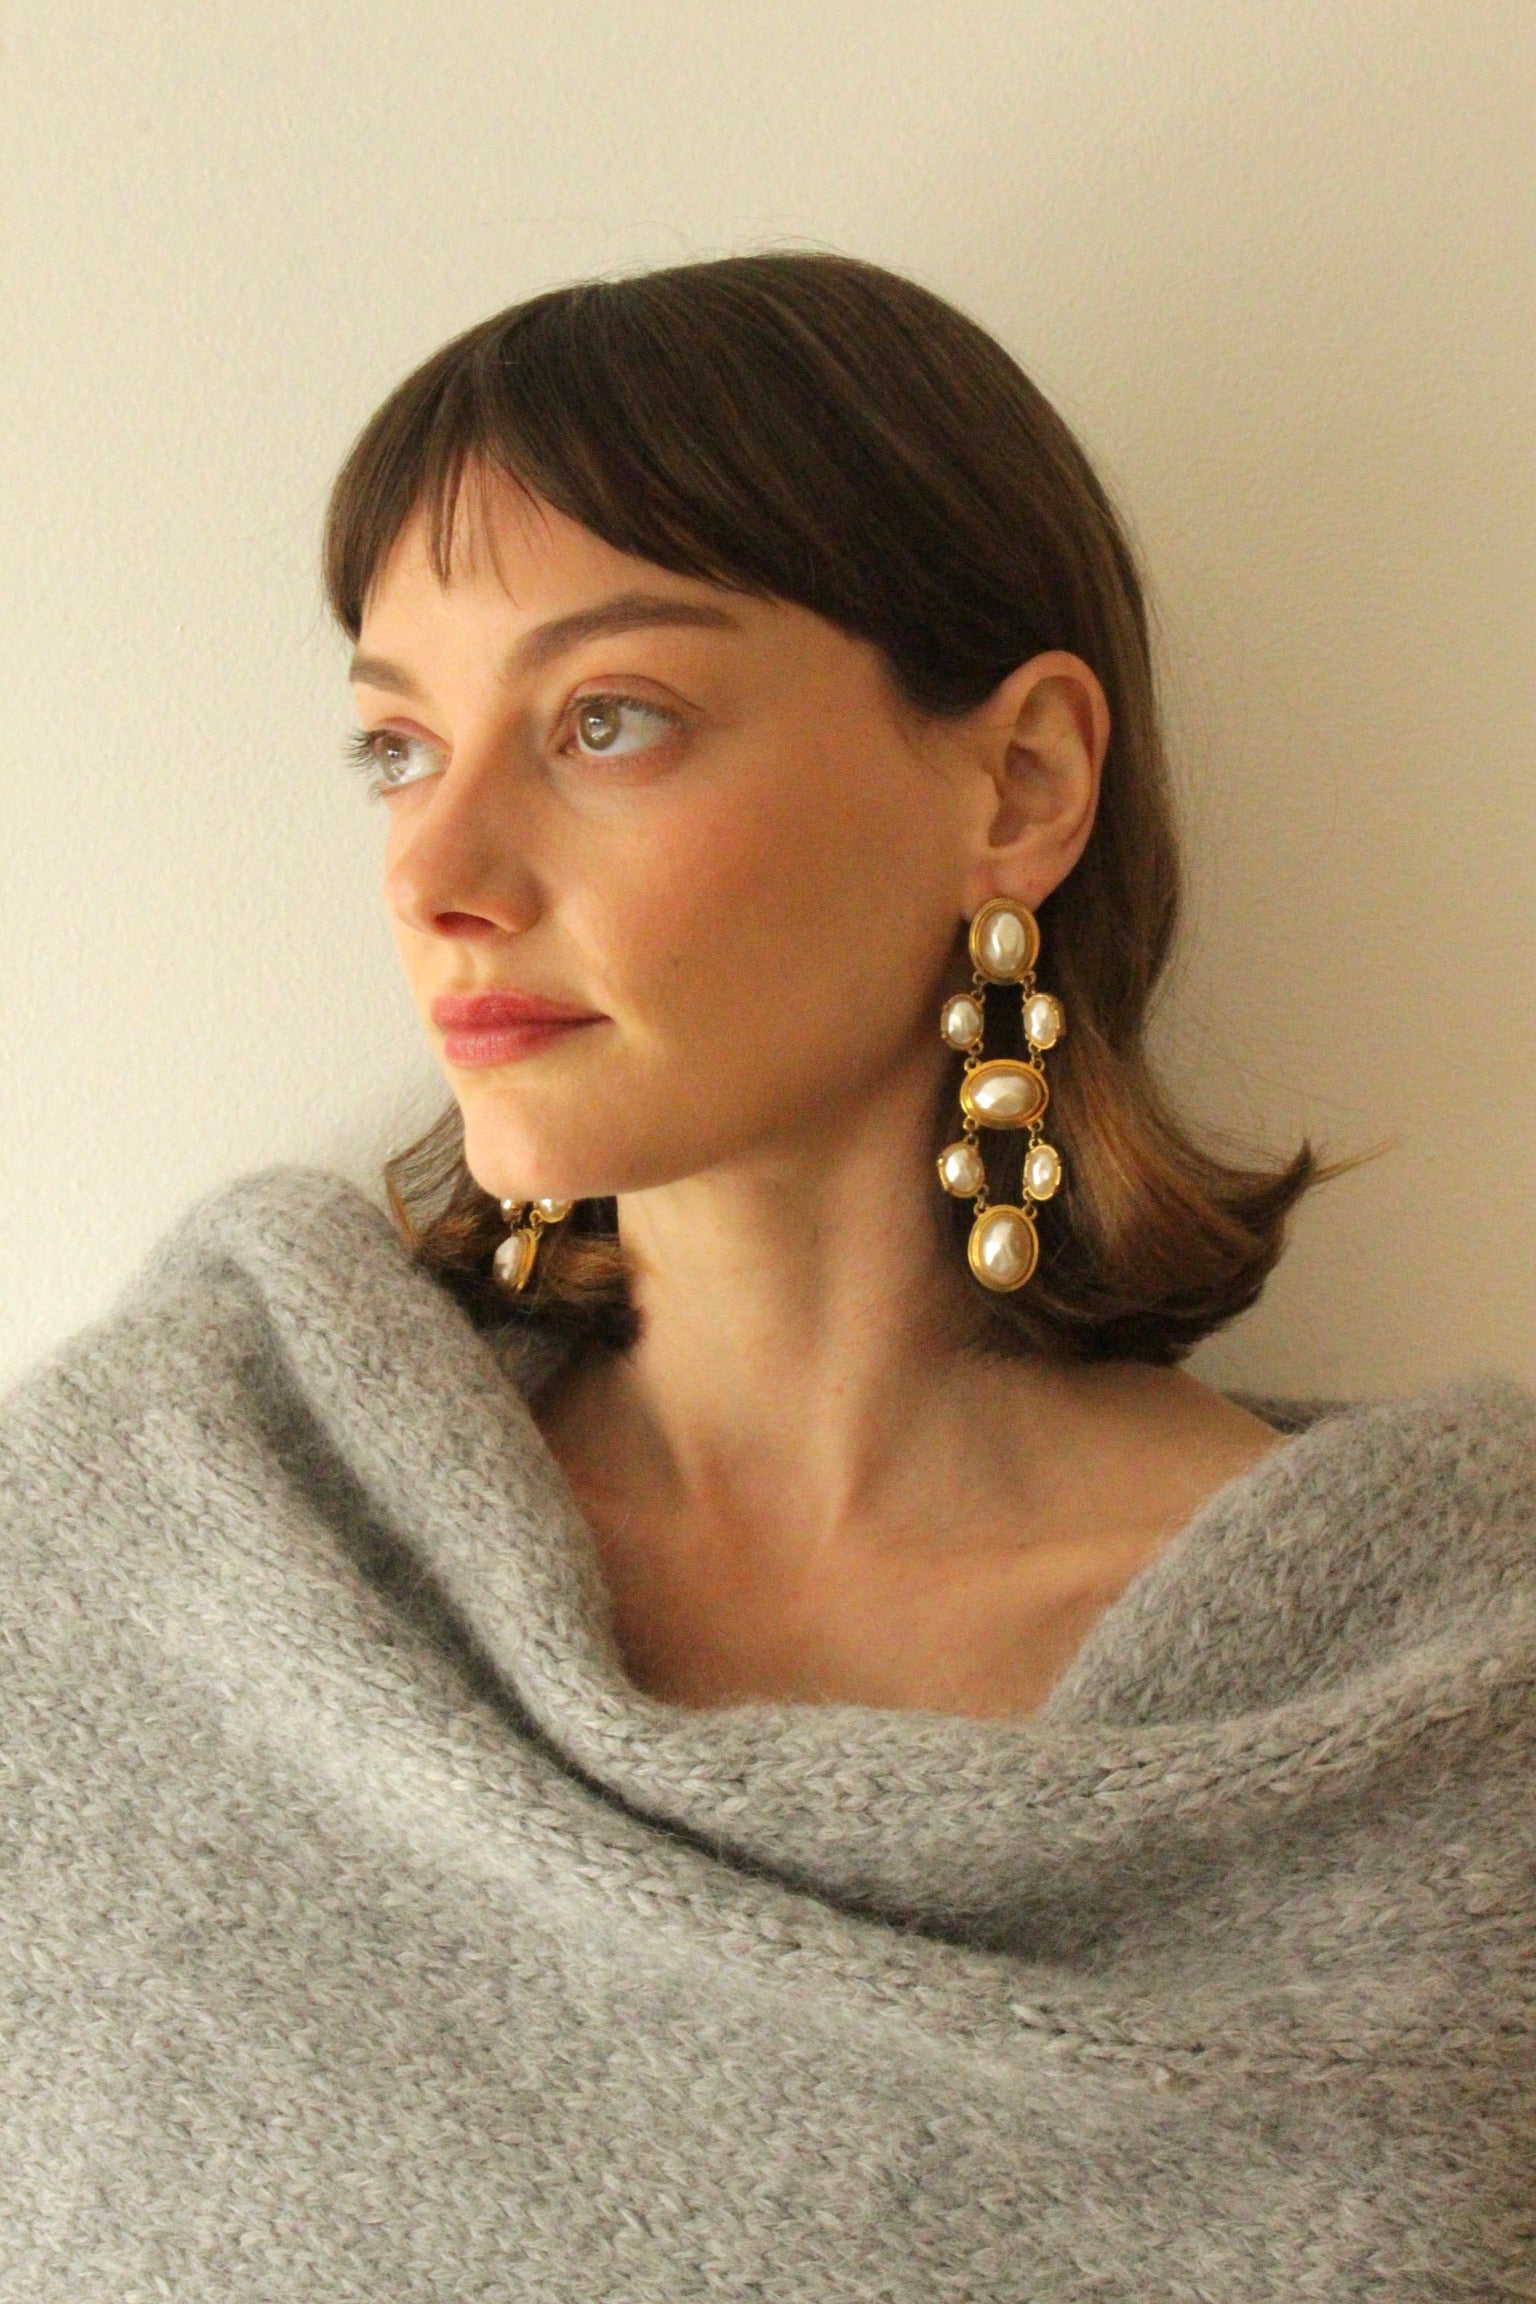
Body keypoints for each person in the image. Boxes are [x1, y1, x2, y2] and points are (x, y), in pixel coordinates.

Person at [1, 253, 1531, 2301]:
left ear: (1020, 785)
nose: (437, 873)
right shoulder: (170, 1546)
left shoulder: (1454, 1715)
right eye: (395, 747)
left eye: (606, 721)